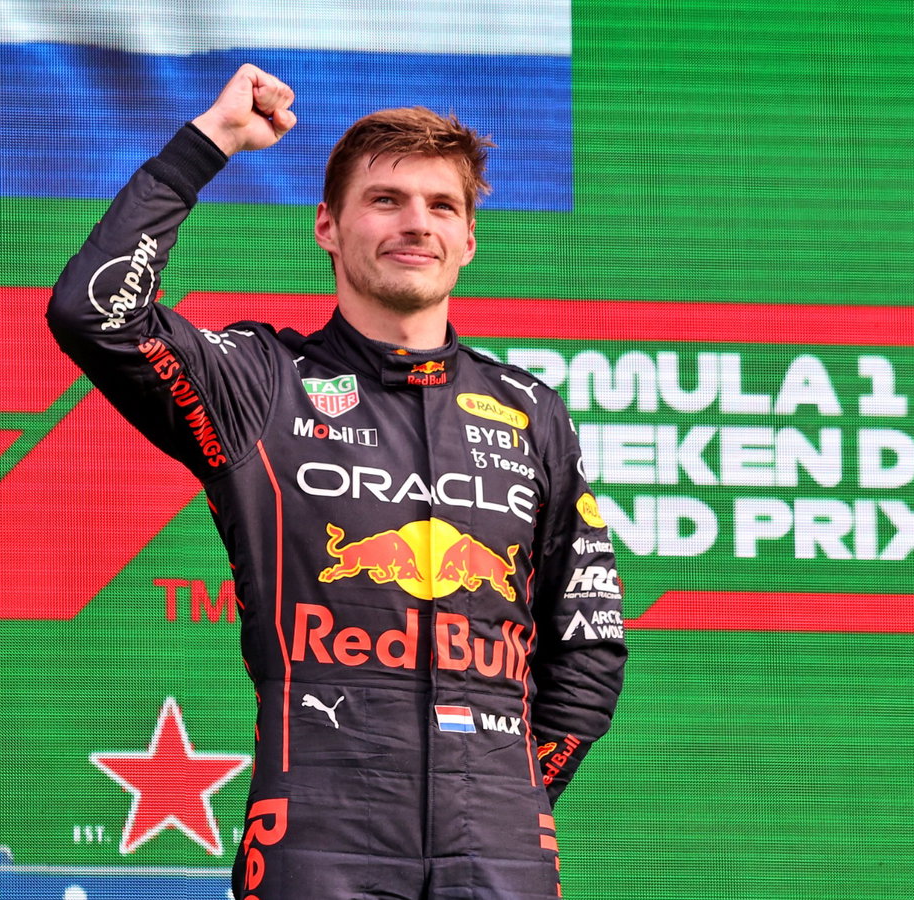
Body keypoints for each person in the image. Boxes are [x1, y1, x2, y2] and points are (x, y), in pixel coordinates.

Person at [47, 64, 625, 900]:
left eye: (441, 207)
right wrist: (207, 145)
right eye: (386, 200)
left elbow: (589, 642)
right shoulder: (263, 382)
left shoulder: (531, 410)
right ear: (328, 225)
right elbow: (93, 313)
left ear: (469, 240)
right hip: (319, 833)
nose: (415, 224)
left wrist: (511, 788)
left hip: (499, 838)